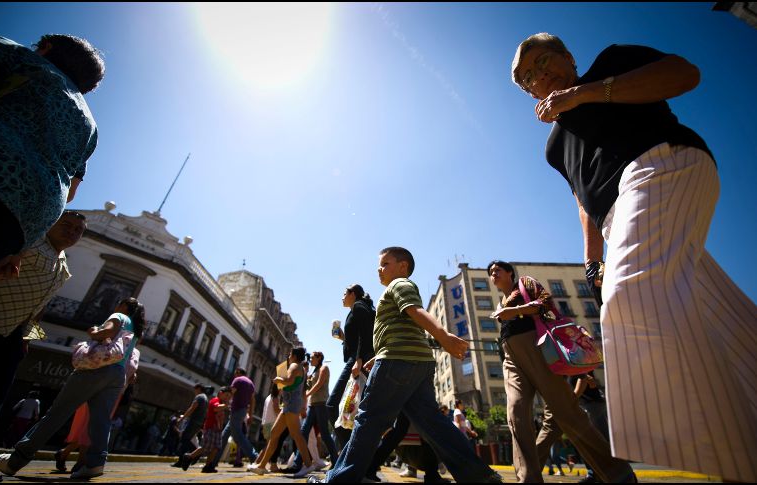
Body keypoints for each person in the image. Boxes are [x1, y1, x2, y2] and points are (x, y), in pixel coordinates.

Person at [511, 32, 757, 481]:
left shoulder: (611, 62)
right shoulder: (553, 145)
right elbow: (583, 197)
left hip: (660, 166)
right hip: (618, 214)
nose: (537, 75)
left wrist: (583, 93)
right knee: (724, 321)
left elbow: (685, 74)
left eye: (543, 61)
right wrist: (592, 261)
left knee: (633, 298)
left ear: (567, 56)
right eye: (527, 78)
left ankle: (739, 463)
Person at [316, 247, 503, 483]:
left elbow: (415, 311)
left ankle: (339, 480)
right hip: (418, 365)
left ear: (402, 266)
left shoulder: (399, 285)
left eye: (385, 264)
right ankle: (480, 477)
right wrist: (379, 355)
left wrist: (443, 335)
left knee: (368, 419)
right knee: (432, 424)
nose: (379, 269)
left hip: (396, 362)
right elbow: (406, 328)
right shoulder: (397, 291)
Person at [486, 260, 634, 483]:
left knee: (567, 414)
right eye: (490, 272)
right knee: (516, 412)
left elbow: (546, 302)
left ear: (509, 272)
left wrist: (515, 310)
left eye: (497, 269)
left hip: (537, 349)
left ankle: (619, 474)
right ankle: (528, 479)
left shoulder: (525, 283)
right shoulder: (500, 302)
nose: (493, 273)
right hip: (511, 357)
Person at [0, 297, 144, 480]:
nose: (116, 305)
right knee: (101, 421)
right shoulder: (134, 329)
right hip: (117, 374)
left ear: (124, 306)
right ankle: (94, 464)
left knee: (56, 414)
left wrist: (95, 331)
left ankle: (15, 460)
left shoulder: (119, 316)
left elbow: (106, 332)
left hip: (96, 368)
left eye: (119, 303)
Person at [0, 34, 103, 280]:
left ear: (47, 47)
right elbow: (70, 192)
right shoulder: (90, 127)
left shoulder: (18, 54)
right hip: (23, 221)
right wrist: (19, 247)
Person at [0, 210, 87, 442]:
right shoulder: (29, 241)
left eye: (78, 230)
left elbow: (40, 305)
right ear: (51, 222)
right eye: (67, 225)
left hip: (12, 336)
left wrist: (28, 339)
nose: (72, 232)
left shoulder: (63, 264)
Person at [249, 347, 315, 476]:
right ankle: (262, 466)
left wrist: (277, 380)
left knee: (296, 435)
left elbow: (288, 381)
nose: (289, 356)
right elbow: (300, 390)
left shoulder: (294, 366)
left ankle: (308, 465)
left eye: (290, 354)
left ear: (295, 356)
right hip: (289, 405)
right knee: (274, 434)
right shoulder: (301, 368)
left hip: (290, 405)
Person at [326, 283, 375, 452]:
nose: (342, 297)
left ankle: (349, 452)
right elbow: (357, 337)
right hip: (357, 358)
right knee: (351, 409)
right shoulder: (358, 308)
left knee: (333, 405)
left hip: (357, 360)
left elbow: (365, 334)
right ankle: (351, 453)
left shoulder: (359, 306)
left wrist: (359, 359)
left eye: (344, 293)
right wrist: (343, 337)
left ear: (352, 294)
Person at [290, 351, 338, 475]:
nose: (310, 359)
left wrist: (307, 394)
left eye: (312, 358)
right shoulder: (312, 371)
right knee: (303, 432)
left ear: (319, 358)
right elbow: (308, 385)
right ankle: (297, 463)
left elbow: (319, 384)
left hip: (321, 404)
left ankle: (336, 461)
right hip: (312, 405)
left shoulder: (324, 368)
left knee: (325, 434)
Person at [205, 368, 256, 470]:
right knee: (224, 436)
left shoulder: (237, 380)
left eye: (235, 373)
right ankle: (212, 462)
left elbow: (230, 393)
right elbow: (252, 400)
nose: (234, 376)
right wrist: (250, 415)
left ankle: (255, 457)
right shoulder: (251, 383)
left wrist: (224, 404)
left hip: (236, 410)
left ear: (238, 373)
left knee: (238, 435)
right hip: (242, 411)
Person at [178, 386, 232, 473]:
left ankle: (208, 466)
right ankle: (189, 456)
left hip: (217, 430)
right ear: (220, 393)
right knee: (205, 446)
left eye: (229, 397)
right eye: (226, 395)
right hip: (210, 428)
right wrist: (226, 405)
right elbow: (216, 408)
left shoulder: (222, 403)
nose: (227, 398)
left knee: (216, 447)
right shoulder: (215, 400)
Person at [173, 384, 209, 466]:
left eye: (195, 389)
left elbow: (192, 408)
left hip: (193, 421)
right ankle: (195, 453)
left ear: (199, 389)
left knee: (184, 439)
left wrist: (181, 419)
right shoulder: (206, 398)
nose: (194, 392)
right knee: (187, 440)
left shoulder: (199, 397)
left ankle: (182, 461)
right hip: (198, 423)